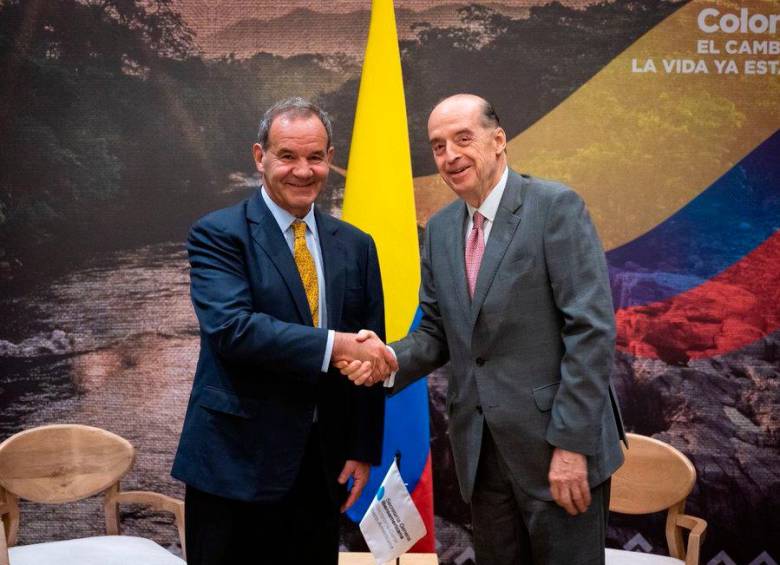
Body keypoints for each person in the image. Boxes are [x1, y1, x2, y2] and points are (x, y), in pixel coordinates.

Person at [340, 94, 626, 564]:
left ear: (498, 141)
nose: (450, 155)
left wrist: (572, 446)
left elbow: (590, 332)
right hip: (480, 456)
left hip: (556, 452)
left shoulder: (554, 208)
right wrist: (385, 360)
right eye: (437, 146)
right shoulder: (440, 229)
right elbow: (435, 332)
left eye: (462, 139)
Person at [172, 97, 396, 565]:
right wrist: (334, 346)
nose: (302, 170)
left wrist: (361, 447)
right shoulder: (218, 234)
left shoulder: (355, 245)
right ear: (261, 157)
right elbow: (232, 330)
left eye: (315, 157)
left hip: (321, 467)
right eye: (287, 156)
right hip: (235, 465)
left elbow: (370, 350)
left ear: (331, 160)